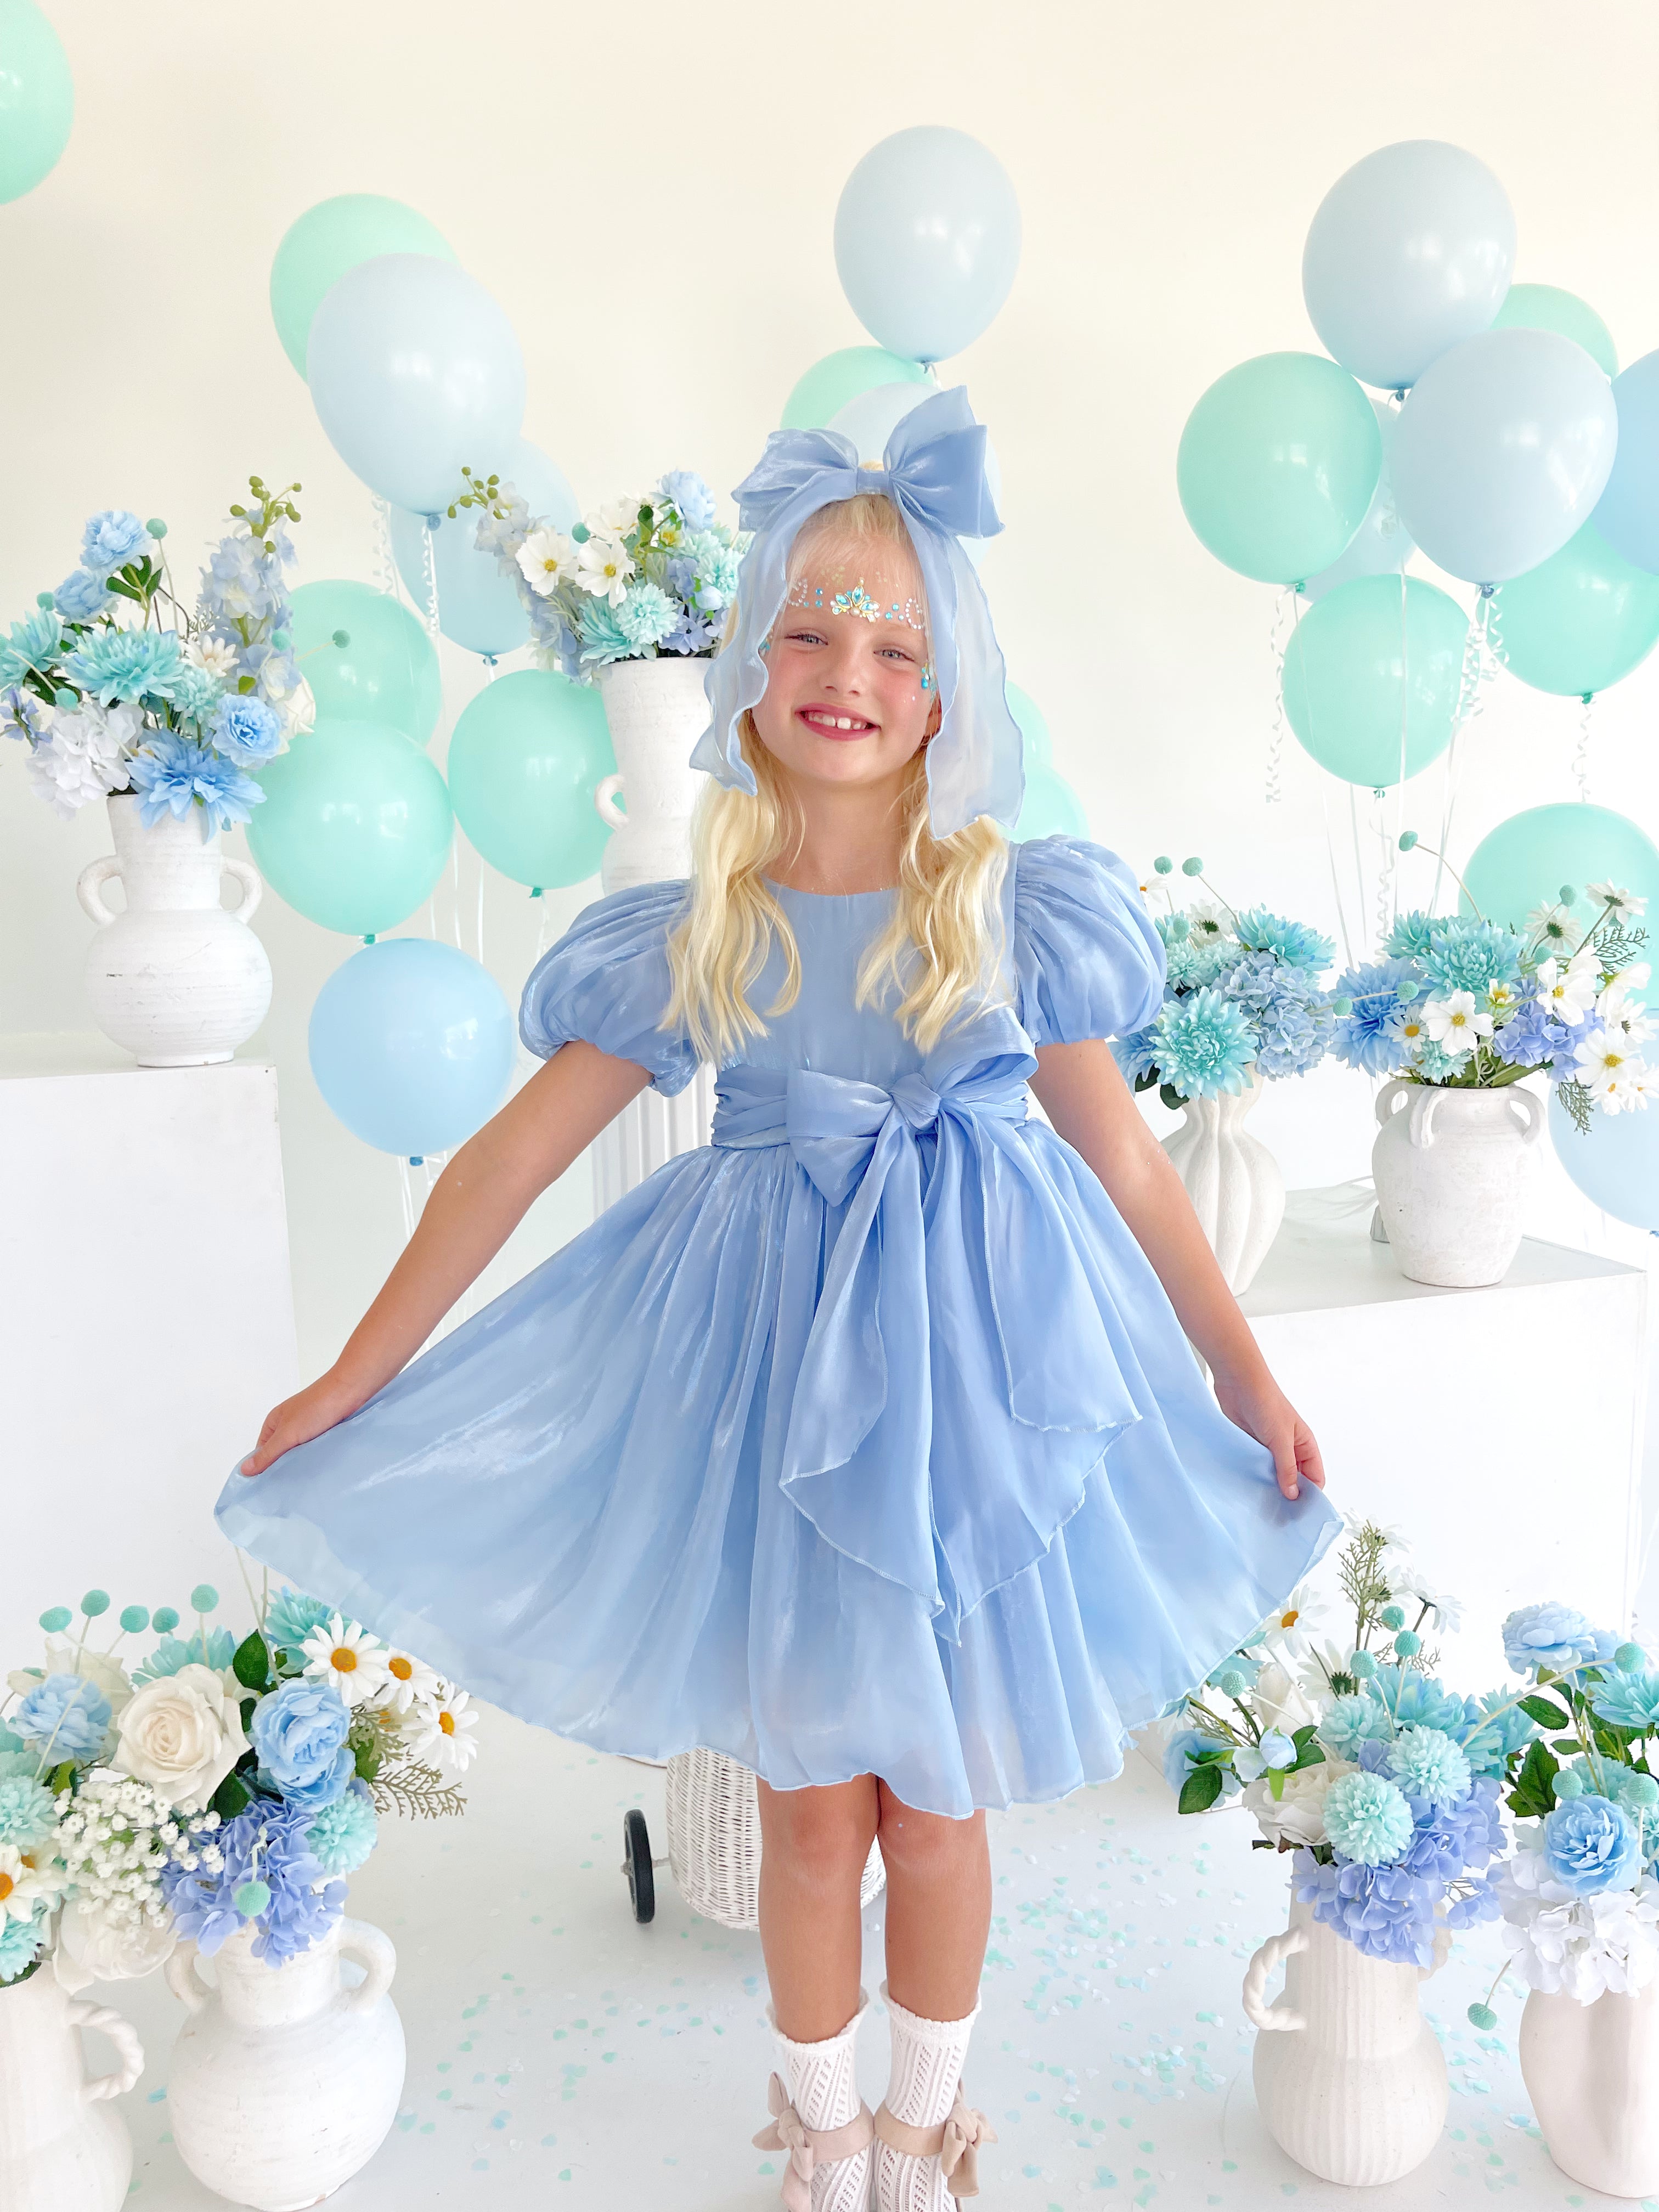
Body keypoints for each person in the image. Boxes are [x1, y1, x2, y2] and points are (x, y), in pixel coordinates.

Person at [222, 388, 1337, 2212]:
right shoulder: (702, 930)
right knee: (814, 1814)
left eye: (896, 647)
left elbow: (1133, 1171)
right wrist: (353, 1376)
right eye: (811, 632)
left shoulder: (1007, 915)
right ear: (750, 669)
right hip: (773, 1390)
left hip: (970, 1396)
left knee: (941, 1805)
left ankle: (923, 2130)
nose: (848, 674)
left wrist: (1240, 1375)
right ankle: (821, 2128)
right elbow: (502, 1164)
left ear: (948, 697)